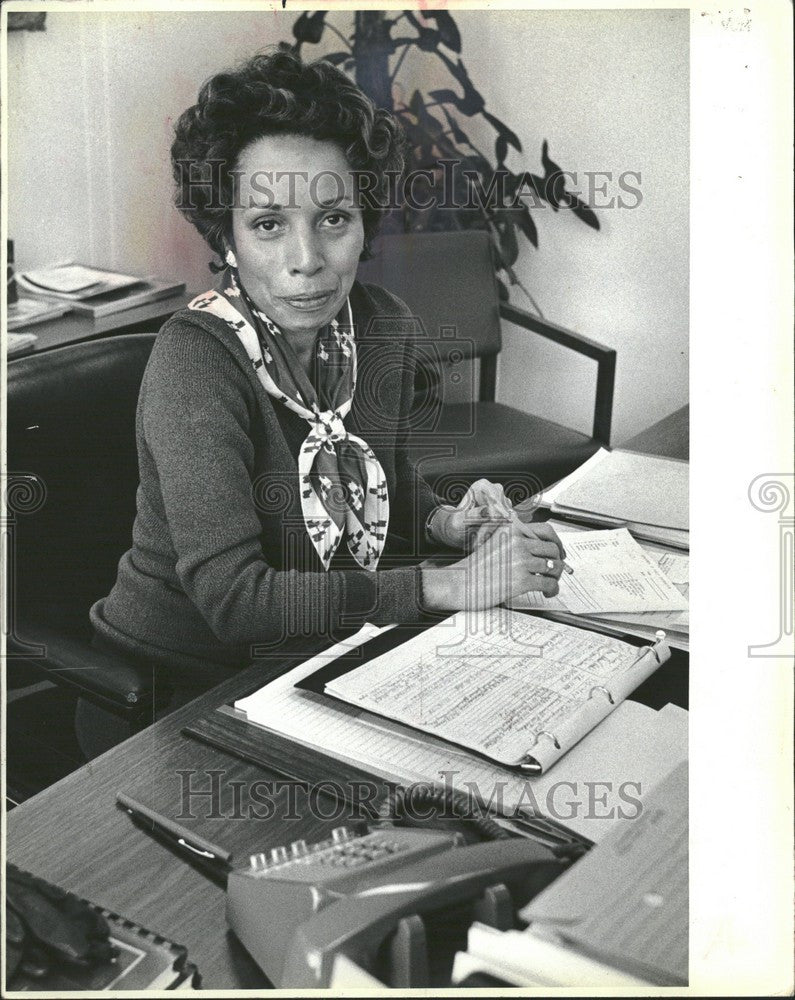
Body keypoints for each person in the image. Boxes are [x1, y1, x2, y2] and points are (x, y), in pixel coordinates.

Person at [82, 51, 565, 755]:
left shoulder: (382, 324)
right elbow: (235, 601)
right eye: (269, 224)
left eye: (333, 217)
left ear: (364, 221)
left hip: (316, 658)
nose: (306, 258)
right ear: (227, 236)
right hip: (175, 692)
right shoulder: (197, 359)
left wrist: (446, 522)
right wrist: (442, 584)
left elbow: (383, 486)